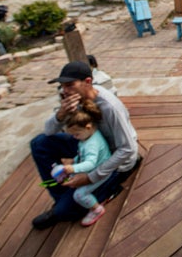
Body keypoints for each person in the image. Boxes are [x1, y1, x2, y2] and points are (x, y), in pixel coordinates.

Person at [30, 60, 140, 230]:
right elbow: (49, 131)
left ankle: (101, 192)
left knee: (64, 213)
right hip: (88, 145)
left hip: (113, 160)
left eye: (69, 85)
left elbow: (127, 149)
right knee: (39, 143)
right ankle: (62, 196)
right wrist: (61, 113)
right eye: (62, 86)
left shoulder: (109, 107)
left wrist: (91, 177)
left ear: (87, 82)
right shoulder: (74, 99)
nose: (65, 91)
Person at [56, 102, 113, 227]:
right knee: (71, 181)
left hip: (101, 172)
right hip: (95, 167)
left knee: (79, 195)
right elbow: (83, 155)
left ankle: (97, 209)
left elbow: (90, 163)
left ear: (88, 127)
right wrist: (74, 160)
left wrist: (73, 168)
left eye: (76, 134)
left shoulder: (92, 144)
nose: (75, 137)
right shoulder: (87, 137)